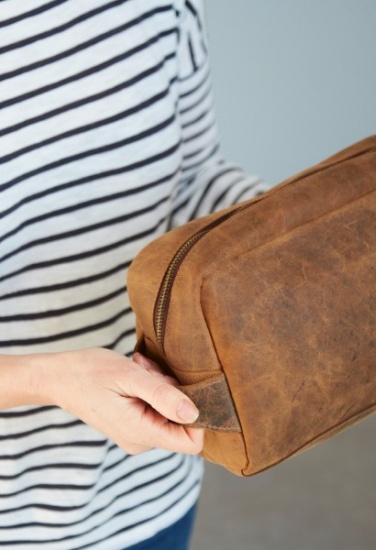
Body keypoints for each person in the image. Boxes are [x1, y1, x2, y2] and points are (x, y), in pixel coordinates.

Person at [0, 1, 267, 548]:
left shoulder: (156, 8)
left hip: (152, 486)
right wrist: (45, 378)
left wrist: (280, 239)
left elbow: (193, 181)